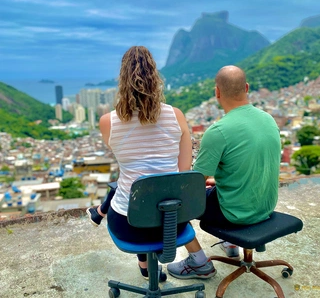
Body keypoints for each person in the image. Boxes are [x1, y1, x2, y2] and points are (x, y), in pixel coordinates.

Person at [86, 46, 192, 279]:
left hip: (129, 226)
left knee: (131, 188)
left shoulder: (108, 122)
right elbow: (184, 172)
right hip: (174, 224)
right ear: (156, 79)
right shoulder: (177, 116)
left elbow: (127, 161)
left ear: (122, 80)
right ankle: (147, 267)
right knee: (147, 193)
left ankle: (144, 267)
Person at [167, 65, 281, 280]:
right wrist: (215, 182)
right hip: (266, 207)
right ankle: (230, 243)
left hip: (235, 213)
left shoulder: (219, 131)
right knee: (213, 189)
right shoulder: (269, 119)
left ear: (217, 92)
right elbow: (248, 168)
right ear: (246, 88)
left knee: (173, 205)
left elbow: (194, 184)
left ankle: (198, 263)